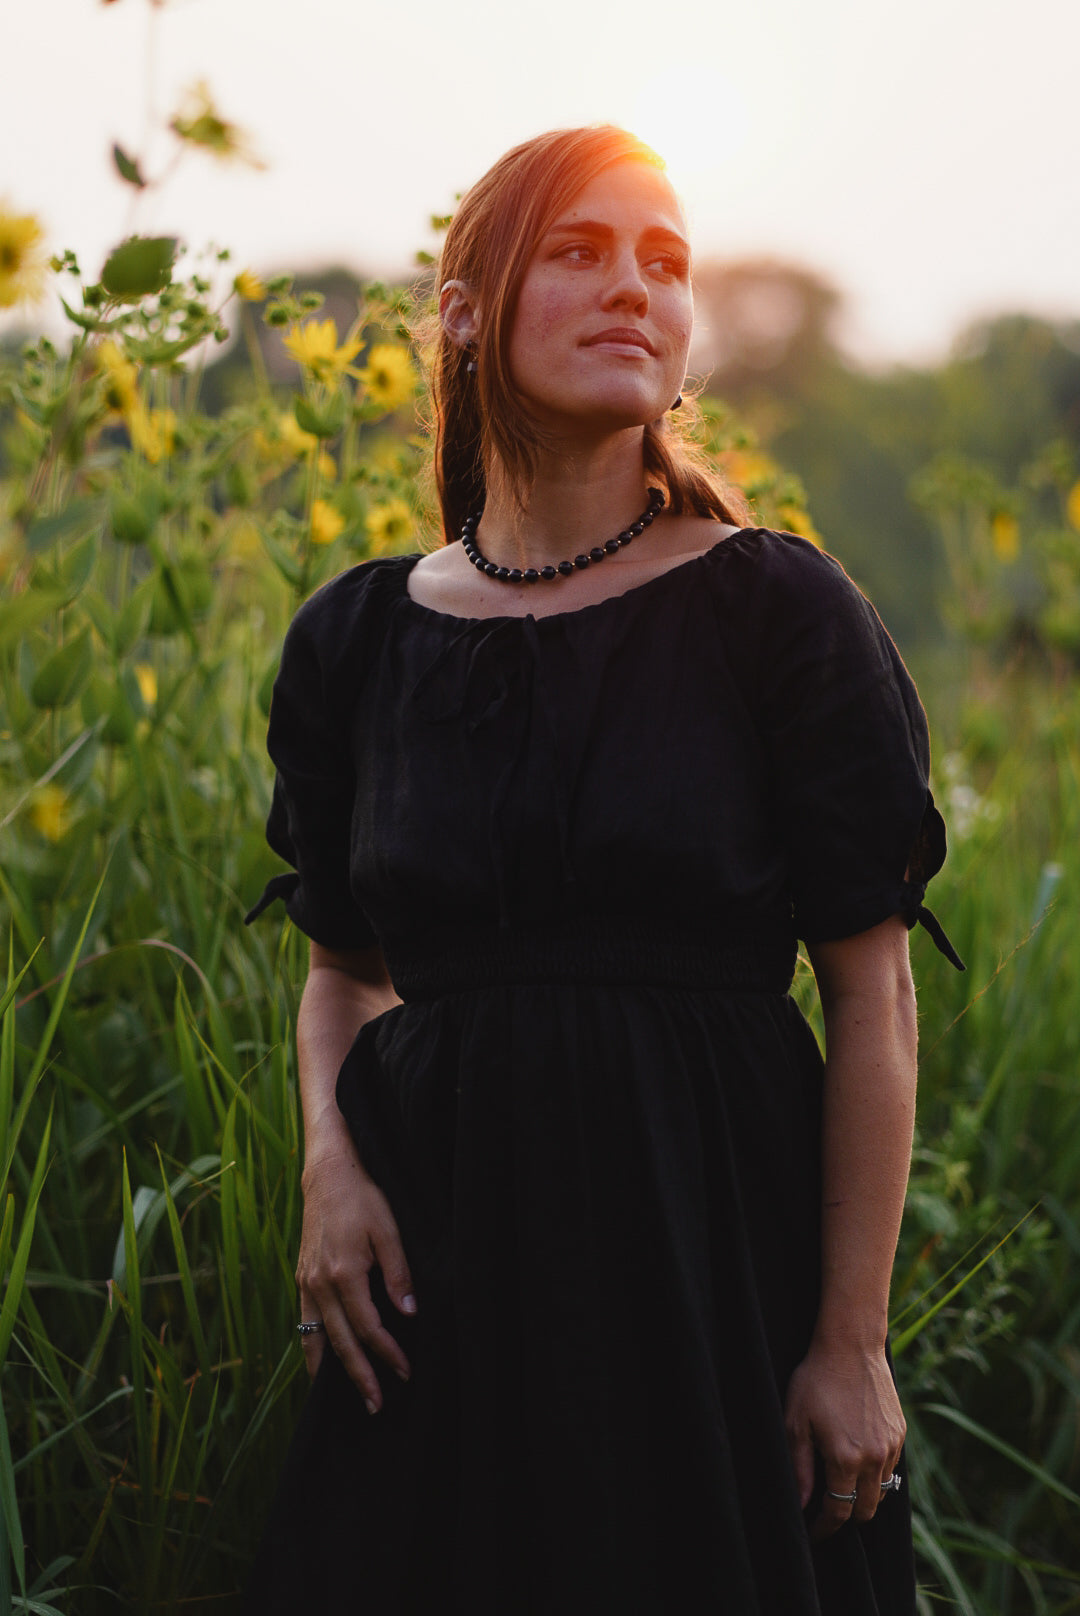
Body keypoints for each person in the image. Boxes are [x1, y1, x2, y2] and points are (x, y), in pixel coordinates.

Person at [243, 124, 963, 1615]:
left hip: (708, 1269)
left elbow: (874, 1000)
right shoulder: (357, 640)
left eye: (666, 263)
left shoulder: (777, 610)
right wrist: (330, 1169)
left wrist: (850, 1341)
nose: (635, 287)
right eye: (578, 251)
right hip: (439, 1287)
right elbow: (342, 976)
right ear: (463, 311)